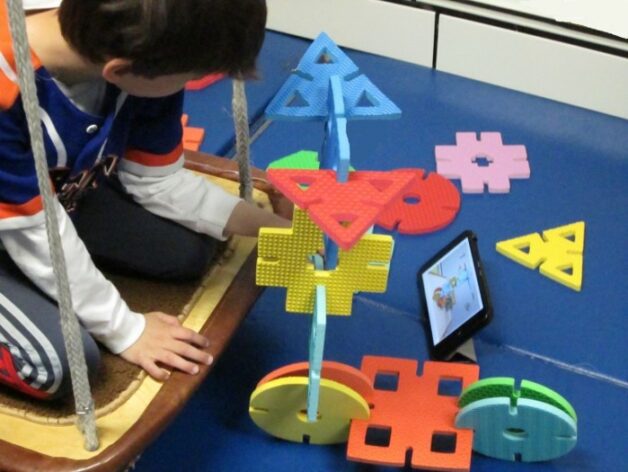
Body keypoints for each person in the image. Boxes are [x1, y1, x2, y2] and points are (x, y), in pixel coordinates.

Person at [0, 0, 289, 400]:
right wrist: (125, 329)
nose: (198, 82)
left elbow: (159, 184)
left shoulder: (138, 50)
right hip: (25, 221)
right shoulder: (8, 89)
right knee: (62, 365)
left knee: (184, 253)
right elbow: (39, 235)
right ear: (119, 70)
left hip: (45, 201)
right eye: (196, 75)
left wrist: (276, 227)